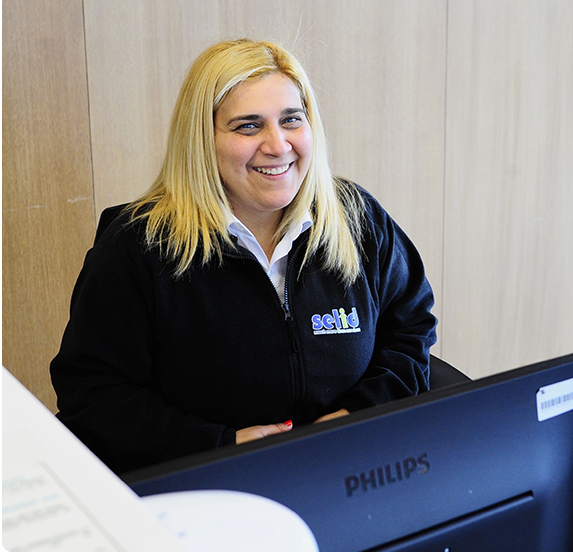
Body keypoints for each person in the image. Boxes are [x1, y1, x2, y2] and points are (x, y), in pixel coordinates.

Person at [50, 39, 437, 474]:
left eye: (291, 120)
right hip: (208, 486)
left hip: (350, 468)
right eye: (248, 126)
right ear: (203, 140)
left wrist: (357, 417)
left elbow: (411, 329)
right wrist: (220, 446)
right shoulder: (136, 247)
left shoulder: (356, 219)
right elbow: (93, 393)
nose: (278, 145)